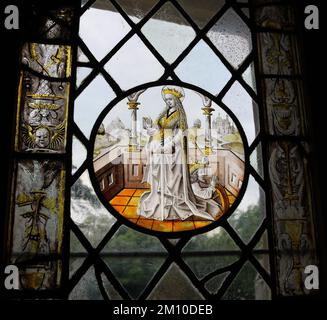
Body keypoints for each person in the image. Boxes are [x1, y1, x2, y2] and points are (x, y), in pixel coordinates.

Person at [137, 86, 221, 221]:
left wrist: (170, 144)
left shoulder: (180, 114)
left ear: (176, 99)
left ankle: (174, 204)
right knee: (162, 180)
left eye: (170, 99)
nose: (168, 102)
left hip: (174, 152)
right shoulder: (164, 113)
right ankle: (163, 204)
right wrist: (152, 131)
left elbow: (182, 133)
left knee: (173, 181)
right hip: (161, 149)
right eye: (167, 100)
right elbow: (159, 129)